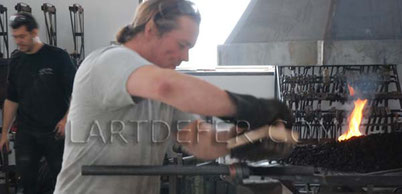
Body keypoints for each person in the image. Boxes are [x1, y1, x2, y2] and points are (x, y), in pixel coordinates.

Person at [54, 0, 293, 193]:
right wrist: (249, 108)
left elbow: (199, 141)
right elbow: (167, 87)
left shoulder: (160, 84)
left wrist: (241, 140)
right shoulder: (108, 61)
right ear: (151, 28)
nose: (186, 56)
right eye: (181, 44)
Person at [0, 13, 76, 194]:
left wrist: (66, 119)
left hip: (55, 132)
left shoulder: (58, 57)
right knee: (28, 184)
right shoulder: (17, 61)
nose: (18, 41)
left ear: (34, 32)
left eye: (22, 36)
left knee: (62, 183)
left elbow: (77, 93)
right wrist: (4, 132)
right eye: (15, 37)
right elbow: (12, 99)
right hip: (26, 133)